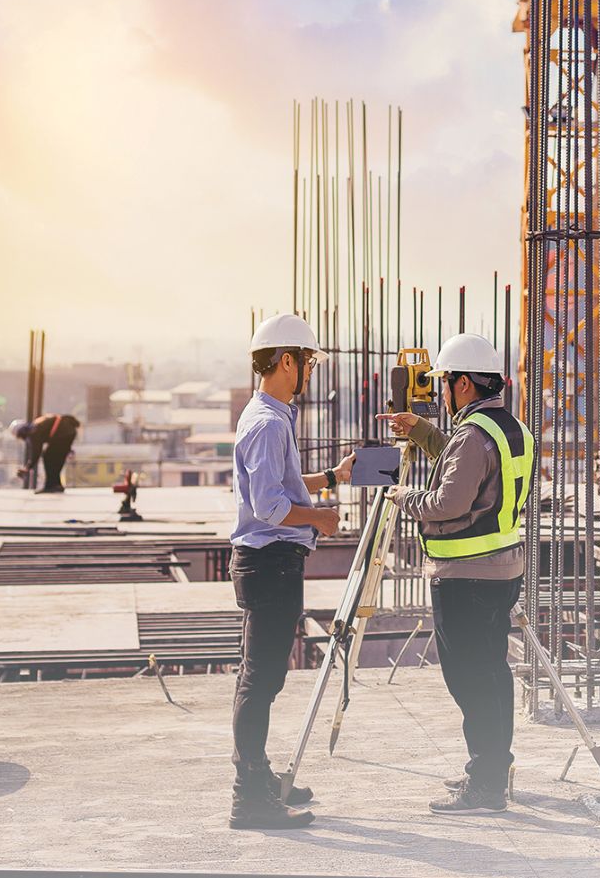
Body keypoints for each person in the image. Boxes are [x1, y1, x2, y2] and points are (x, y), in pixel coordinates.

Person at [376, 332, 533, 816]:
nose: (441, 391)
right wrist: (423, 433)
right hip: (502, 569)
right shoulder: (510, 429)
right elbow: (473, 469)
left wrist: (403, 498)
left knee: (469, 677)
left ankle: (485, 782)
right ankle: (489, 769)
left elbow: (448, 500)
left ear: (463, 384)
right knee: (492, 672)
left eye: (445, 382)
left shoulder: (472, 434)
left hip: (465, 574)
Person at [227, 313, 352, 830]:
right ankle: (249, 798)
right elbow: (269, 506)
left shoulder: (271, 415)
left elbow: (281, 483)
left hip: (272, 564)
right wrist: (320, 517)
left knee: (261, 677)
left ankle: (257, 778)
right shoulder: (268, 422)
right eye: (308, 362)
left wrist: (328, 478)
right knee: (261, 680)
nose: (311, 372)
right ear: (286, 362)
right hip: (269, 562)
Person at [10, 414, 80, 493]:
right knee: (55, 458)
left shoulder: (33, 431)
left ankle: (50, 486)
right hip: (69, 432)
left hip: (62, 434)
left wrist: (27, 468)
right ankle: (56, 485)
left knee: (48, 457)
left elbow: (36, 452)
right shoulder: (36, 425)